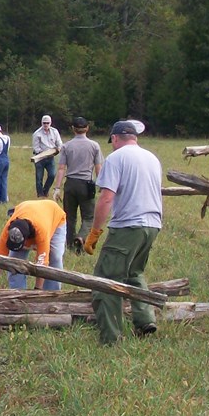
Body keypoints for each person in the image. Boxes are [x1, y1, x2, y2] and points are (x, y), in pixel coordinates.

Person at [83, 120, 162, 344]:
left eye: (112, 142)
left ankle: (111, 338)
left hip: (129, 226)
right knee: (134, 273)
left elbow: (106, 197)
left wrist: (95, 232)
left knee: (105, 281)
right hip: (152, 225)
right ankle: (145, 321)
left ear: (115, 138)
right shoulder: (151, 158)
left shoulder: (116, 158)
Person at [0, 200, 67, 290]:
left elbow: (42, 265)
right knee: (14, 262)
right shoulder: (8, 230)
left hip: (54, 217)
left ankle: (52, 295)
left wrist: (37, 290)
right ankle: (18, 294)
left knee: (55, 257)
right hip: (28, 210)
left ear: (27, 239)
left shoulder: (41, 232)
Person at [52, 116, 103, 252]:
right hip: (86, 184)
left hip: (70, 184)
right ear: (87, 128)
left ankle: (69, 245)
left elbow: (61, 168)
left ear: (73, 129)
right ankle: (81, 237)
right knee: (89, 216)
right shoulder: (94, 145)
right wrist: (102, 185)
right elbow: (98, 167)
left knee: (69, 217)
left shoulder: (66, 146)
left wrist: (57, 188)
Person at [32, 114, 63, 198]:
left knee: (52, 174)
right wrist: (44, 153)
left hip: (51, 157)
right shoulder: (37, 133)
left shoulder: (54, 131)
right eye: (44, 123)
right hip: (40, 158)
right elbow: (36, 148)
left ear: (50, 123)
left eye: (47, 123)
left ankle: (45, 191)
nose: (46, 125)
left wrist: (58, 149)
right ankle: (40, 194)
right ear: (42, 123)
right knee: (39, 178)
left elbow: (59, 143)